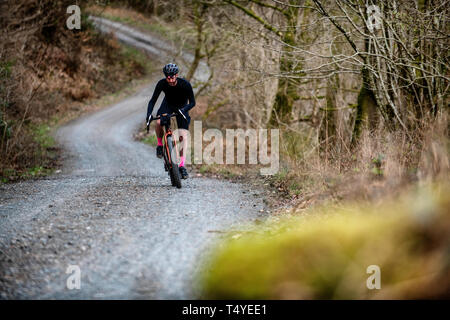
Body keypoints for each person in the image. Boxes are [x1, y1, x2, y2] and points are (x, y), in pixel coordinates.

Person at [146, 63, 195, 179]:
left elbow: (193, 102)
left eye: (172, 77)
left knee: (183, 135)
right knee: (158, 122)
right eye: (168, 77)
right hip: (167, 105)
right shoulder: (162, 83)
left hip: (182, 107)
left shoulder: (185, 84)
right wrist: (148, 114)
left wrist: (184, 110)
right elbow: (152, 100)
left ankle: (182, 166)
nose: (170, 80)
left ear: (176, 75)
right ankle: (159, 145)